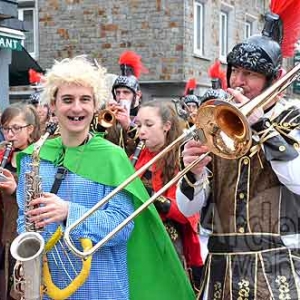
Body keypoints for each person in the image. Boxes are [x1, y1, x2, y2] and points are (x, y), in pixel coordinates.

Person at [15, 56, 195, 300]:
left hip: (101, 284)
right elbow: (25, 219)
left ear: (95, 106)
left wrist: (69, 211)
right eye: (67, 100)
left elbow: (123, 227)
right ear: (54, 106)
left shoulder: (113, 157)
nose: (76, 108)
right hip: (47, 282)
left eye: (85, 100)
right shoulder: (32, 157)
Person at [176, 1, 300, 299]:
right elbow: (188, 208)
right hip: (221, 269)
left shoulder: (293, 117)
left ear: (275, 80)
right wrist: (193, 173)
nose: (239, 83)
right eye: (236, 72)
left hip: (278, 268)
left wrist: (261, 126)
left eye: (251, 74)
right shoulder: (215, 120)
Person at [134, 100, 203, 291]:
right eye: (138, 125)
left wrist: (154, 198)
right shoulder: (138, 154)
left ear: (166, 126)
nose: (141, 131)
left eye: (148, 125)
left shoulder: (183, 156)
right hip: (140, 235)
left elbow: (187, 212)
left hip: (169, 238)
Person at [0, 103, 41, 300]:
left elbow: (42, 196)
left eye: (16, 128)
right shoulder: (2, 154)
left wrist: (15, 190)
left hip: (24, 234)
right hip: (4, 232)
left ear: (30, 129)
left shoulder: (39, 157)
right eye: (6, 129)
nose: (10, 134)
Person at [96, 50, 148, 156]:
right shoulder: (110, 115)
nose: (121, 97)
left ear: (137, 94)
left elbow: (150, 147)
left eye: (126, 92)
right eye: (118, 92)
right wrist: (101, 125)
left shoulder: (147, 115)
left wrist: (129, 126)